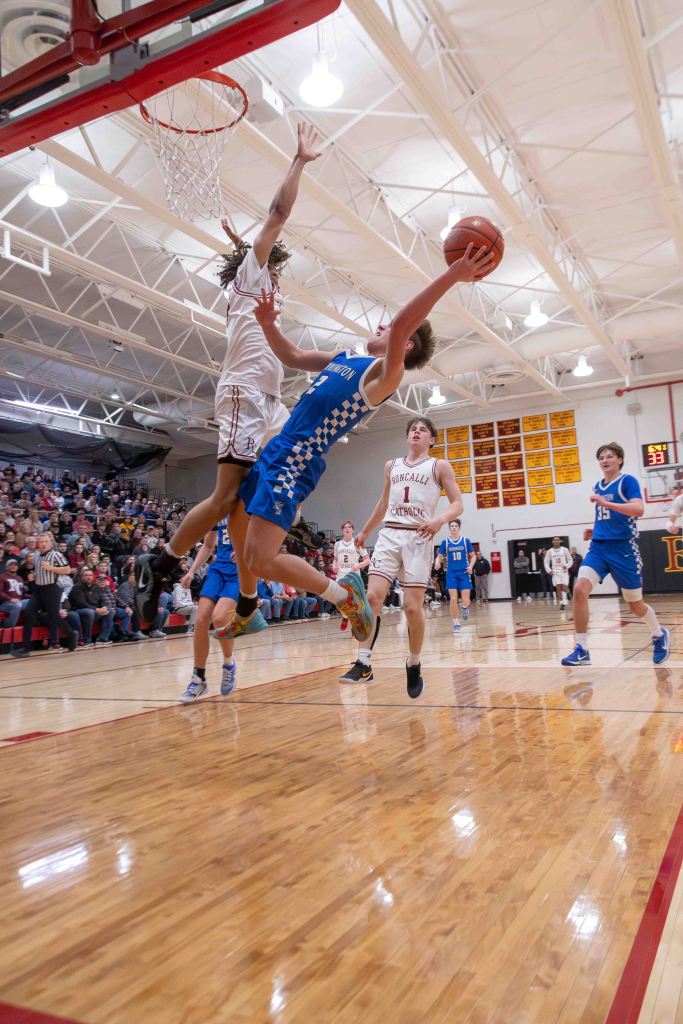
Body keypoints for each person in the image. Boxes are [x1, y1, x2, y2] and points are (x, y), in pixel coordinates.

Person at [135, 123, 321, 626]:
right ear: (254, 261)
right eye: (267, 255)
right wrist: (299, 161)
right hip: (244, 393)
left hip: (270, 401)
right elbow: (278, 215)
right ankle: (161, 564)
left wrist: (240, 243)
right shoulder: (249, 276)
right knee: (224, 498)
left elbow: (262, 250)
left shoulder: (263, 284)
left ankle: (249, 592)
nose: (276, 260)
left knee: (254, 496)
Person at [339, 417, 464, 696]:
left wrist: (439, 520)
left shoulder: (439, 466)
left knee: (411, 607)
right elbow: (384, 502)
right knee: (372, 597)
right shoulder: (391, 466)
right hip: (390, 534)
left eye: (423, 430)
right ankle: (363, 662)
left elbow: (458, 503)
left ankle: (414, 662)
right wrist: (365, 530)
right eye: (412, 430)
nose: (416, 432)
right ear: (407, 437)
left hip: (419, 537)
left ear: (432, 439)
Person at [561, 442, 669, 666]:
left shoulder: (627, 481)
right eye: (601, 457)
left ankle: (659, 634)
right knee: (579, 589)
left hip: (624, 550)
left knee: (635, 605)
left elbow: (638, 509)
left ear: (619, 459)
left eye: (610, 456)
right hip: (599, 548)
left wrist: (607, 504)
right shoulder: (598, 486)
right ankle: (581, 648)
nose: (605, 460)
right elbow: (608, 516)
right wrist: (596, 530)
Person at [179, 519, 238, 703]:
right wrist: (191, 571)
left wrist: (248, 551)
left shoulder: (251, 507)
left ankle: (229, 664)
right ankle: (199, 679)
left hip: (240, 571)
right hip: (218, 570)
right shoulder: (219, 510)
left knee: (219, 618)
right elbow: (207, 545)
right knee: (201, 619)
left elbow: (265, 539)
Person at [11, 533, 72, 658]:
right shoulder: (37, 555)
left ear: (50, 543)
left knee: (54, 618)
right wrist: (34, 577)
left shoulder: (55, 554)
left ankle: (72, 635)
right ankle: (26, 648)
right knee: (29, 613)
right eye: (41, 541)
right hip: (39, 589)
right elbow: (39, 571)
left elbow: (67, 570)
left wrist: (51, 568)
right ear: (38, 544)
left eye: (46, 541)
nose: (43, 543)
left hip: (52, 589)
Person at [434, 519, 475, 633]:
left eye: (455, 526)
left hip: (464, 573)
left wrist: (471, 566)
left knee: (466, 600)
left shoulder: (465, 541)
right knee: (453, 599)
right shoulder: (445, 542)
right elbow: (439, 556)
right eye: (451, 526)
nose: (453, 528)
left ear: (459, 528)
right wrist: (437, 562)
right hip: (451, 573)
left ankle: (464, 607)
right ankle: (456, 623)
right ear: (449, 528)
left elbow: (473, 556)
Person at [544, 536, 572, 608]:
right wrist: (549, 570)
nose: (556, 541)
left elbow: (570, 560)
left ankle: (568, 592)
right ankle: (562, 604)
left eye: (557, 540)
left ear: (560, 541)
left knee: (564, 587)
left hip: (563, 570)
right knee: (558, 587)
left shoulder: (565, 550)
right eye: (554, 540)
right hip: (555, 571)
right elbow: (546, 562)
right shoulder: (549, 551)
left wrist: (567, 566)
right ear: (552, 542)